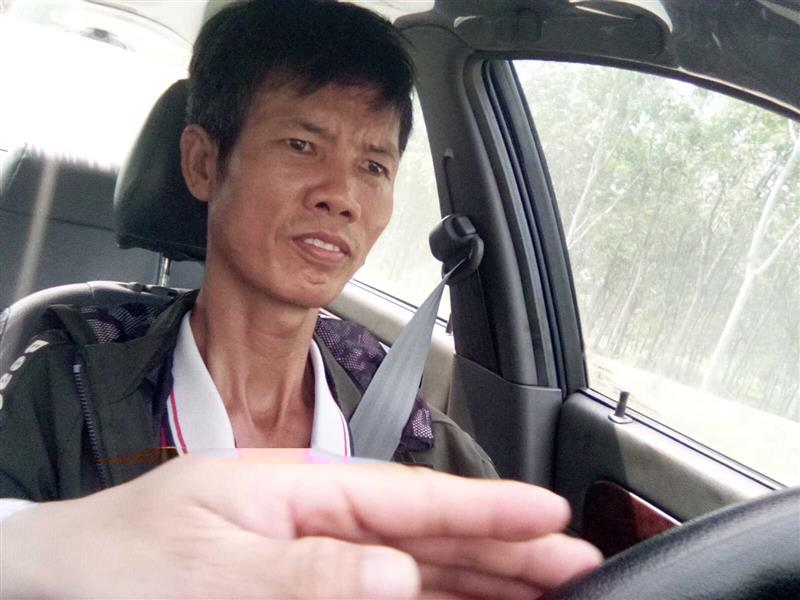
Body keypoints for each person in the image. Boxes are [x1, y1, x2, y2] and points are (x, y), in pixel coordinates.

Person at [0, 1, 602, 597]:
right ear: (203, 163)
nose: (341, 196)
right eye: (300, 145)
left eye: (373, 166)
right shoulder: (58, 383)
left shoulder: (426, 448)